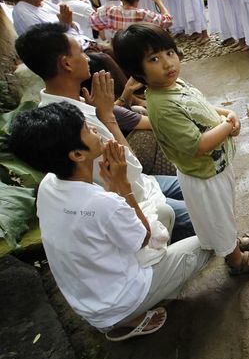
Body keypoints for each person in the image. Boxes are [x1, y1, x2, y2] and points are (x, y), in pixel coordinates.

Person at [8, 102, 211, 341]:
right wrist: (121, 187)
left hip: (89, 299)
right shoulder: (101, 203)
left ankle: (149, 293)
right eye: (88, 129)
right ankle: (130, 317)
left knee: (164, 212)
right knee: (210, 241)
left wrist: (115, 191)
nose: (95, 131)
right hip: (119, 302)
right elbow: (143, 238)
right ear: (77, 154)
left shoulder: (48, 186)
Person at [113, 23, 249, 274]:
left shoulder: (174, 84)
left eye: (169, 53)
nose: (168, 63)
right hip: (203, 173)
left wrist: (225, 113)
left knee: (221, 213)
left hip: (214, 166)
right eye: (154, 59)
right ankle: (235, 259)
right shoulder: (163, 107)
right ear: (137, 71)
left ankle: (229, 243)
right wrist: (229, 125)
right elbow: (197, 146)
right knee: (217, 217)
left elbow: (201, 106)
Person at [15, 22, 196, 243]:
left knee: (198, 186)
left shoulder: (77, 101)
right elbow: (129, 168)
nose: (88, 57)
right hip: (134, 201)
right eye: (81, 51)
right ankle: (230, 254)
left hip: (143, 183)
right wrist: (108, 117)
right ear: (66, 64)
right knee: (203, 216)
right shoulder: (68, 123)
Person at [89, 0, 172, 33]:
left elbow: (93, 23)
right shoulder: (143, 14)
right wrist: (158, 1)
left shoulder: (110, 11)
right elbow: (168, 22)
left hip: (121, 53)